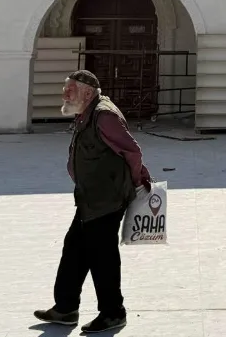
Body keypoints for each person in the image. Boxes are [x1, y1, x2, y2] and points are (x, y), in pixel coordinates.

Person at [34, 70, 152, 333]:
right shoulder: (86, 112)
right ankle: (65, 308)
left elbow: (132, 151)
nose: (65, 94)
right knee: (75, 249)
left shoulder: (104, 116)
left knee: (102, 256)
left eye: (70, 89)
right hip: (90, 197)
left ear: (87, 92)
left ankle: (113, 313)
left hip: (107, 198)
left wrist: (137, 183)